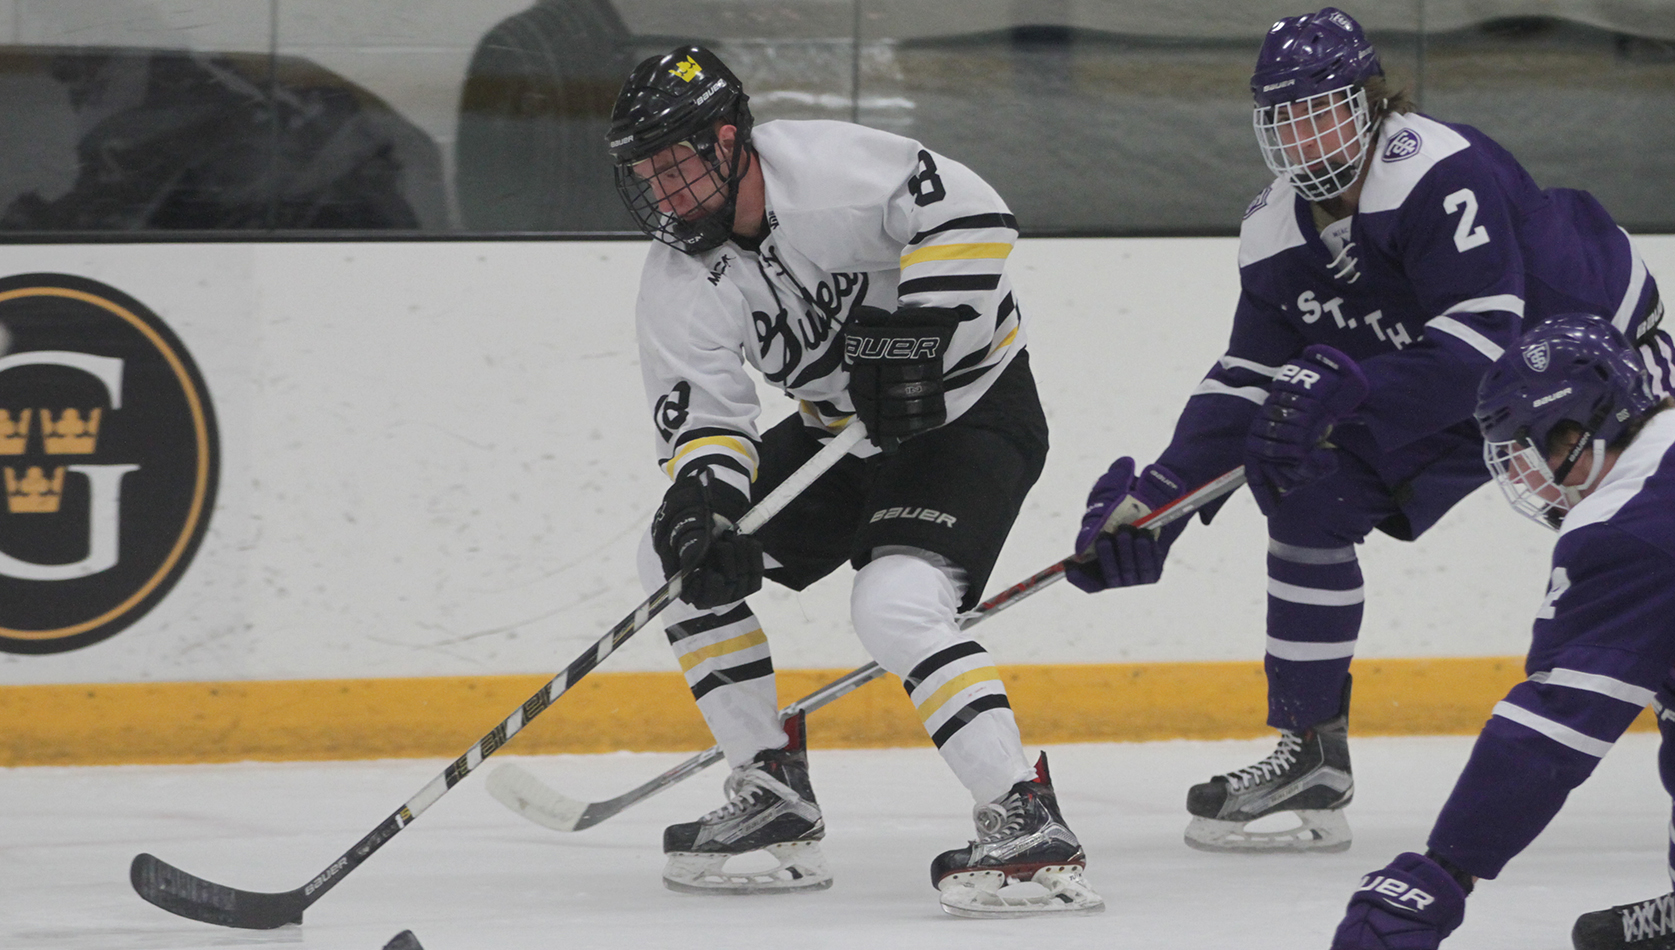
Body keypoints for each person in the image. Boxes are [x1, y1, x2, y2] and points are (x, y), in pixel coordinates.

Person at [1067, 5, 1674, 854]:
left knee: (1632, 557)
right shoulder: (1270, 230)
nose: (1304, 137)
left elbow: (1481, 342)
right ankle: (1312, 754)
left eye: (1321, 109)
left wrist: (1341, 382)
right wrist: (1154, 501)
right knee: (1306, 496)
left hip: (1593, 360)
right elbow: (1247, 379)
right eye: (1284, 118)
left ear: (1371, 100)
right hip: (1477, 386)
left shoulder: (1436, 168)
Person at [605, 45, 1102, 916]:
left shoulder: (826, 171)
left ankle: (1027, 823)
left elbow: (975, 213)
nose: (662, 195)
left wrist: (914, 335)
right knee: (671, 562)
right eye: (646, 176)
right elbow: (712, 425)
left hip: (972, 414)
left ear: (727, 142)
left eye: (675, 167)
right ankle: (771, 793)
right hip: (841, 435)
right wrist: (706, 510)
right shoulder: (678, 282)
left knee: (895, 605)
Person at [1330, 312, 1675, 950]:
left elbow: (1552, 729)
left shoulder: (1631, 523)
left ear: (1573, 431)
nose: (1527, 478)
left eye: (1527, 450)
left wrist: (1441, 873)